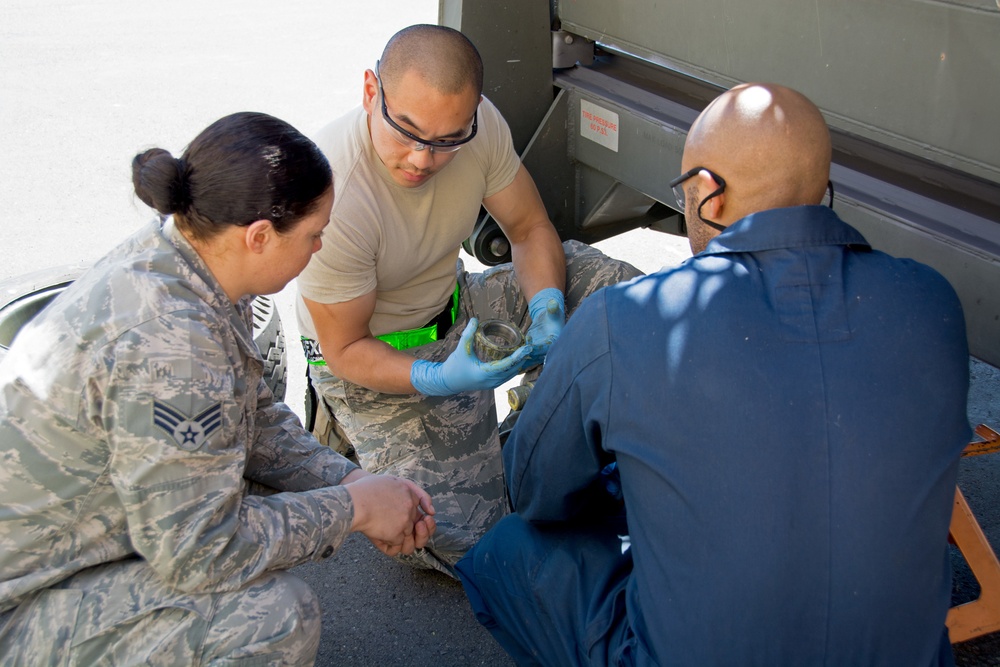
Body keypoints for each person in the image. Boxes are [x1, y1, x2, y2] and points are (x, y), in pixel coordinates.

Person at [456, 83, 972, 665]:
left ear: (708, 194)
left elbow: (535, 492)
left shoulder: (628, 320)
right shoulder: (932, 303)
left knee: (508, 548)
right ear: (821, 192)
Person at [0, 112, 436, 666]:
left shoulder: (186, 255)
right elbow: (201, 551)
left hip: (70, 545)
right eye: (313, 235)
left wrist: (352, 479)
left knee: (252, 496)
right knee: (270, 620)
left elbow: (252, 417)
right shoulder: (173, 345)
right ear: (258, 237)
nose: (320, 248)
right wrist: (353, 509)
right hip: (19, 611)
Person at [296, 24, 642, 575]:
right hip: (379, 361)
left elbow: (529, 230)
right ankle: (351, 431)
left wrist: (548, 307)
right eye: (406, 130)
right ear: (369, 92)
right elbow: (345, 347)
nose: (421, 157)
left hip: (460, 311)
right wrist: (437, 380)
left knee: (620, 294)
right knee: (465, 541)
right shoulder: (332, 189)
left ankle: (535, 425)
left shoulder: (478, 129)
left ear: (474, 112)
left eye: (446, 139)